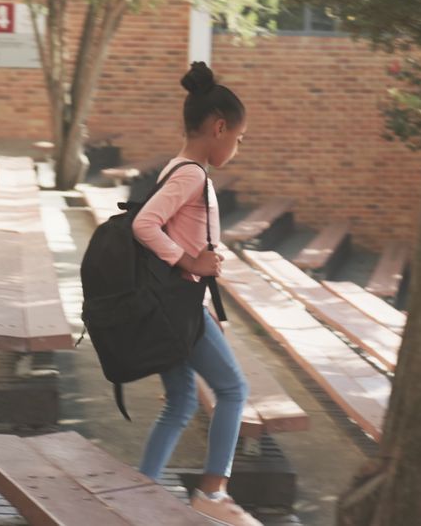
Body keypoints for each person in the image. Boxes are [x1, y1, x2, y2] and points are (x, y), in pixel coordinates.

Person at [132, 61, 259, 526]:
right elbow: (143, 223)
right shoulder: (191, 175)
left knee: (183, 401)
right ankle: (212, 492)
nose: (237, 148)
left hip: (174, 305)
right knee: (233, 389)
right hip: (179, 306)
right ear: (219, 127)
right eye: (238, 138)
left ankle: (139, 493)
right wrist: (190, 263)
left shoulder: (177, 167)